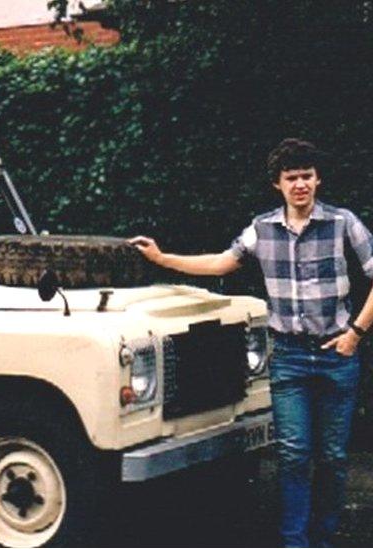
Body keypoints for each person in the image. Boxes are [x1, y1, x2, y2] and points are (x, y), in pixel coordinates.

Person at [130, 138, 372, 548]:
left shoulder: (343, 223)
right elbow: (221, 262)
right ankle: (294, 542)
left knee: (332, 457)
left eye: (307, 177)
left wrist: (356, 334)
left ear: (318, 180)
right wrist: (162, 258)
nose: (300, 185)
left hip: (337, 355)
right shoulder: (261, 229)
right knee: (294, 455)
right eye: (291, 178)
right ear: (277, 184)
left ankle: (325, 538)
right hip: (289, 359)